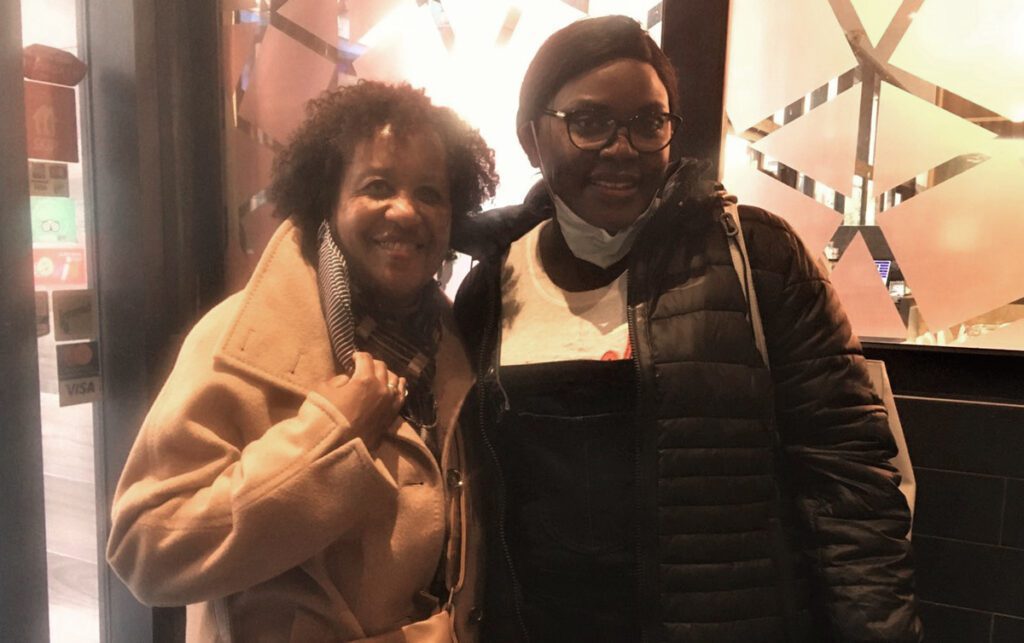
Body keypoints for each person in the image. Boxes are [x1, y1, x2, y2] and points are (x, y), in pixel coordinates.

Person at [451, 15, 922, 642]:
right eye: (589, 123)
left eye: (649, 123)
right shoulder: (492, 286)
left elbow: (850, 488)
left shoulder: (756, 257)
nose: (622, 150)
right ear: (533, 138)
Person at [107, 81, 497, 642]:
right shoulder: (240, 338)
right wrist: (330, 437)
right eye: (377, 186)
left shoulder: (456, 343)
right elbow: (146, 548)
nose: (406, 211)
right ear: (328, 200)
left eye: (430, 194)